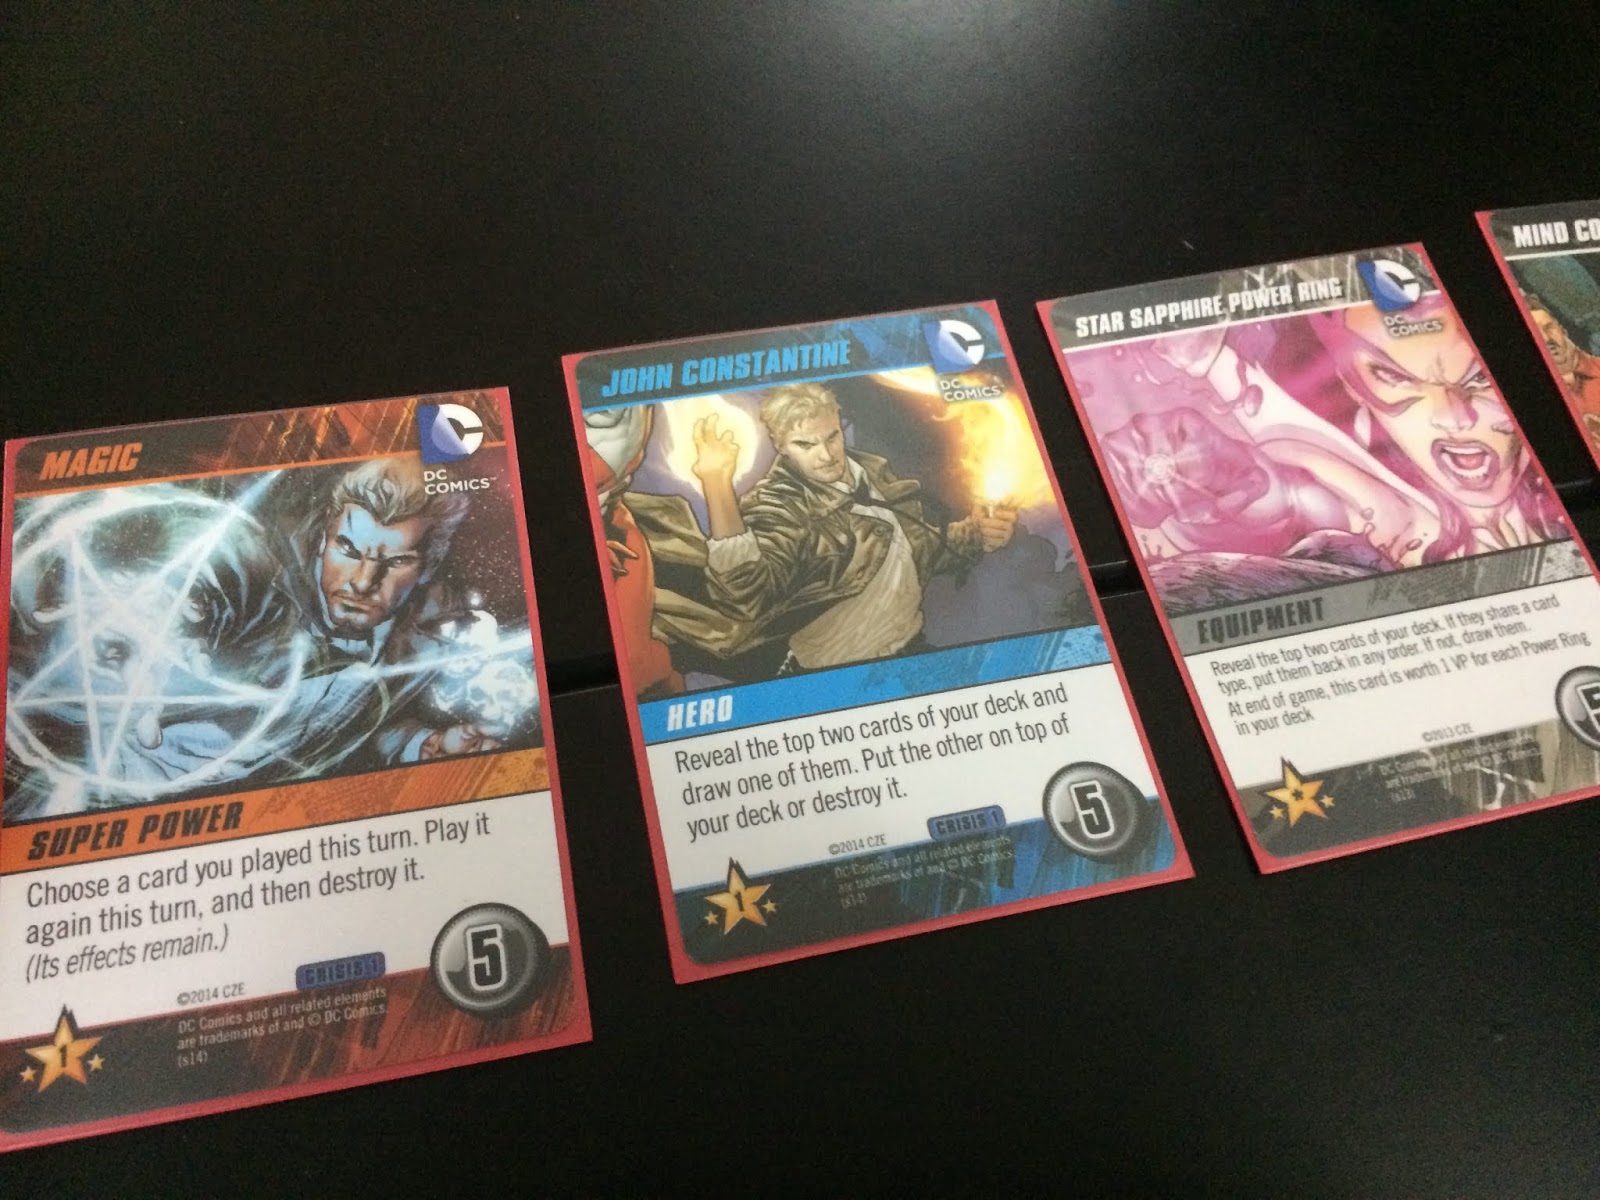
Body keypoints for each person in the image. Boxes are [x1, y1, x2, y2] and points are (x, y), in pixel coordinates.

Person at [1104, 295, 1563, 576]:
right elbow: (1292, 492)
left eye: (1478, 378)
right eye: (1397, 379)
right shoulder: (1310, 467)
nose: (1455, 416)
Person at [690, 383, 1015, 673]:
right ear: (780, 445)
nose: (826, 455)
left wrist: (977, 534)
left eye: (832, 436)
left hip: (910, 655)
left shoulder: (871, 472)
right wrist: (717, 486)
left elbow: (914, 552)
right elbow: (748, 596)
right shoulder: (779, 504)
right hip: (835, 680)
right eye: (805, 444)